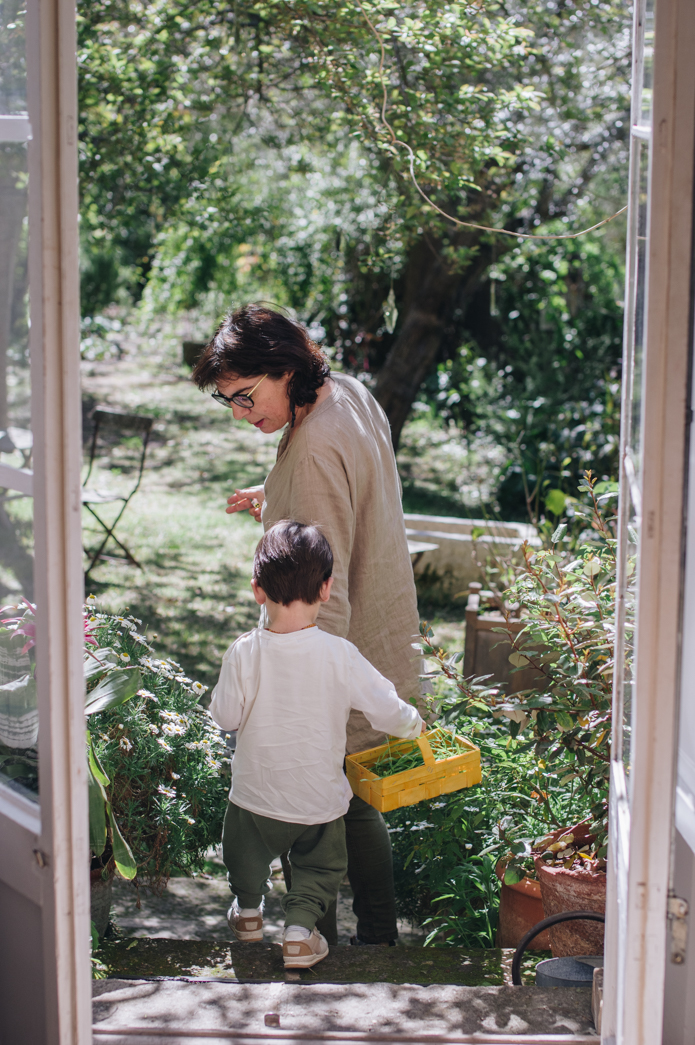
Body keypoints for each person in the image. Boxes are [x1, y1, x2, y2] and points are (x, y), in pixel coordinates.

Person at [193, 304, 422, 945]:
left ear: (283, 369)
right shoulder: (343, 394)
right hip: (375, 635)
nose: (241, 414)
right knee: (349, 804)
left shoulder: (314, 448)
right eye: (228, 402)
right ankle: (369, 937)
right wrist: (274, 498)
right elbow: (340, 497)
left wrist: (301, 685)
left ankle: (334, 943)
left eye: (246, 396)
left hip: (328, 649)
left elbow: (331, 589)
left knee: (320, 807)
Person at [209, 521, 424, 968]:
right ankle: (299, 931)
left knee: (245, 854)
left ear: (257, 590)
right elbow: (386, 709)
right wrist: (414, 724)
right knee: (318, 868)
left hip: (255, 798)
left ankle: (248, 910)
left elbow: (225, 718)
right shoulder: (339, 654)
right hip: (317, 803)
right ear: (326, 589)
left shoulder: (243, 651)